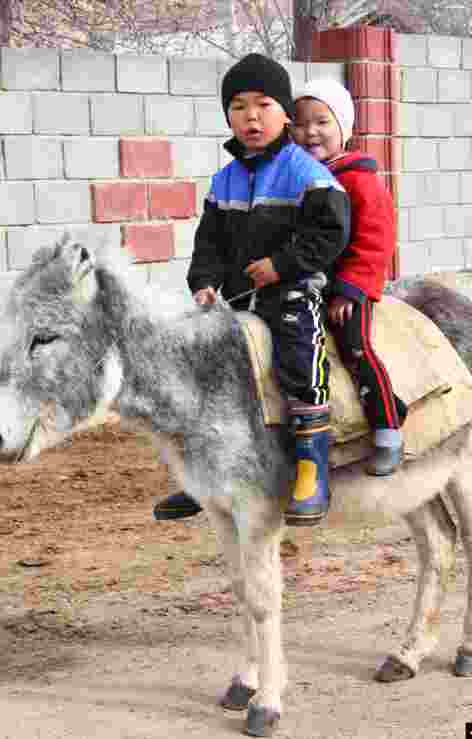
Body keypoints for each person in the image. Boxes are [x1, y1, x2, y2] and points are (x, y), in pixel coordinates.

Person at [153, 53, 350, 527]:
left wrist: (281, 266)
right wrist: (203, 284)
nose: (251, 117)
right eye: (238, 107)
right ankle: (206, 471)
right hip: (238, 300)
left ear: (285, 114)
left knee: (299, 359)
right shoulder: (224, 181)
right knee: (200, 368)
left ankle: (311, 469)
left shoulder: (307, 173)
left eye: (264, 104)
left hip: (291, 293)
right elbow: (210, 243)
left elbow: (330, 233)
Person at [292, 78, 407, 476]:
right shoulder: (298, 178)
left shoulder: (358, 180)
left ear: (345, 127)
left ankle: (387, 430)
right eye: (301, 123)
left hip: (345, 289)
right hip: (306, 287)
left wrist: (349, 291)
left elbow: (376, 239)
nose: (310, 132)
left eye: (321, 122)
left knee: (355, 348)